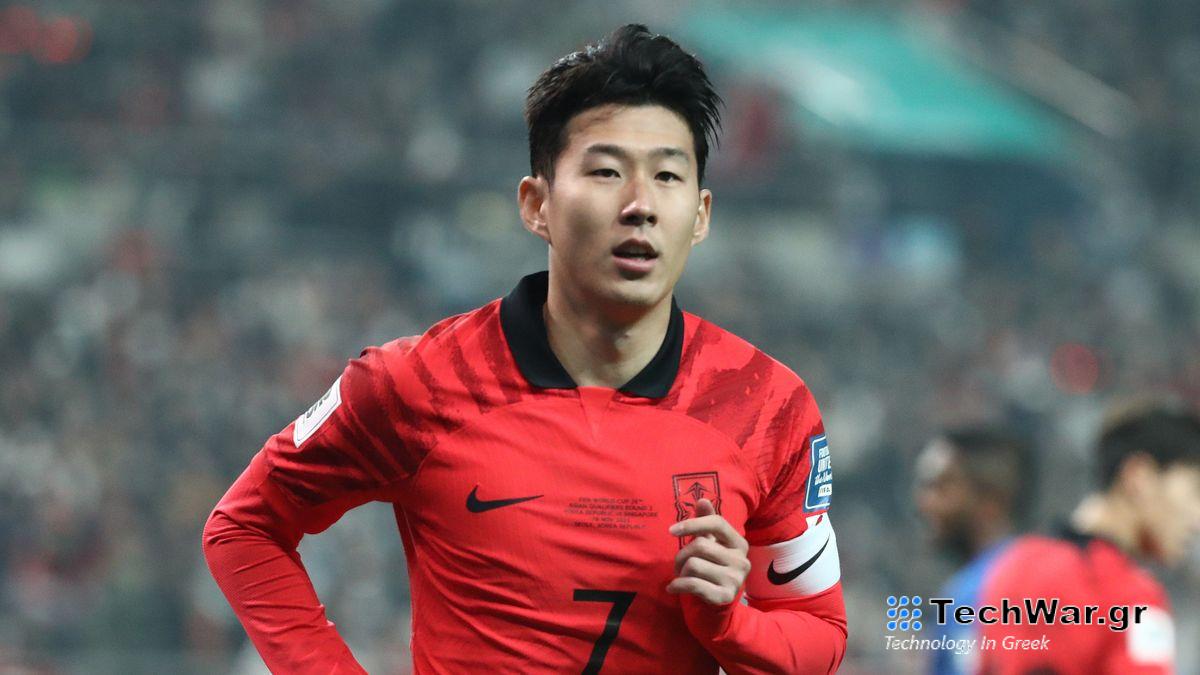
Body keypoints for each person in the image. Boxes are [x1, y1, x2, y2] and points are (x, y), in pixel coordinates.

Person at [203, 24, 847, 674]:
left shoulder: (769, 406)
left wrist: (731, 624)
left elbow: (819, 636)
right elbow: (243, 527)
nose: (640, 205)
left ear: (701, 214)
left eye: (668, 175)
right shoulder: (412, 383)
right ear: (536, 204)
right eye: (605, 171)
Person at [976, 402, 1200, 674]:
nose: (1197, 520)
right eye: (1194, 490)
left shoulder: (1010, 567)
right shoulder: (1132, 597)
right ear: (1139, 476)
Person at [914, 427, 1033, 675]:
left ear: (991, 500)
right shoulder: (963, 592)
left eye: (941, 486)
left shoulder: (977, 595)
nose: (924, 502)